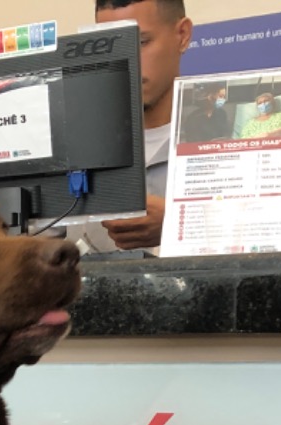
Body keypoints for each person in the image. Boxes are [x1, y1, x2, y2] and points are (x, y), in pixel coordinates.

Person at [91, 0, 192, 252]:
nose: (125, 62)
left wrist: (180, 223)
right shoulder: (75, 146)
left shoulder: (233, 138)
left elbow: (275, 237)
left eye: (140, 43)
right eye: (110, 47)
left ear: (182, 35)